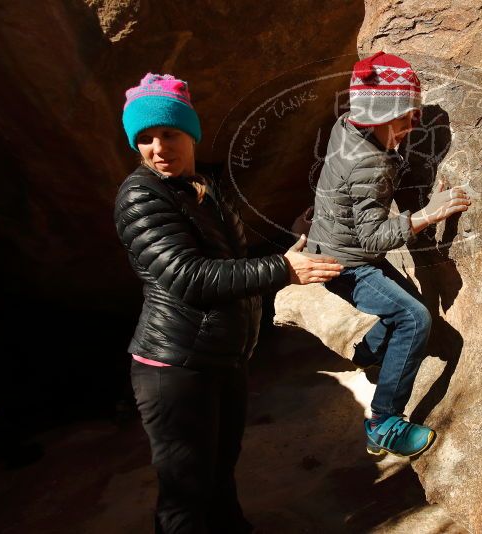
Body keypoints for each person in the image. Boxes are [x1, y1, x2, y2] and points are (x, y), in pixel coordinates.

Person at [114, 73, 342, 534]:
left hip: (222, 357)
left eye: (170, 133)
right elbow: (188, 276)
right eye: (145, 139)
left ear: (190, 133)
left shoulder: (200, 186)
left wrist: (291, 240)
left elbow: (232, 260)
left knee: (219, 473)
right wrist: (282, 269)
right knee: (186, 492)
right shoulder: (141, 196)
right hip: (174, 366)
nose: (159, 148)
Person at [307, 52, 471, 457]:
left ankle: (369, 353)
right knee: (415, 319)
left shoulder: (346, 126)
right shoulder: (370, 163)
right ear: (376, 119)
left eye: (413, 117)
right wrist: (430, 214)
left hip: (333, 246)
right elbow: (374, 239)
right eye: (403, 119)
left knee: (404, 308)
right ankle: (384, 423)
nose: (410, 128)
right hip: (344, 265)